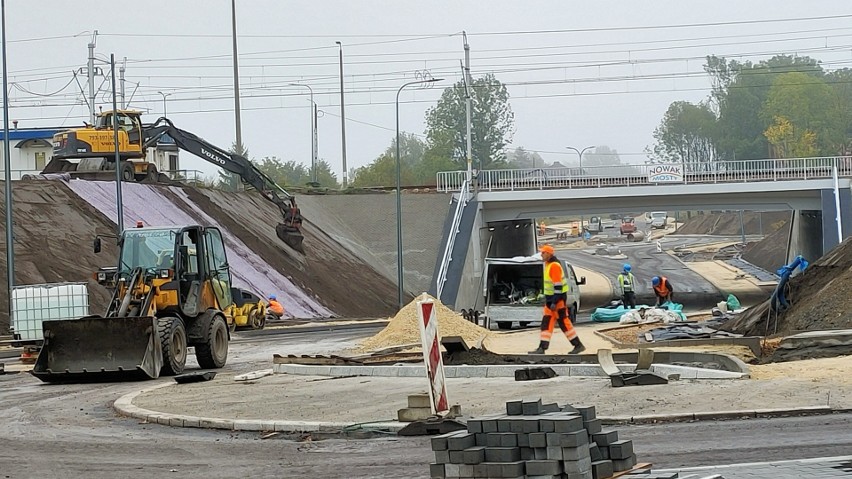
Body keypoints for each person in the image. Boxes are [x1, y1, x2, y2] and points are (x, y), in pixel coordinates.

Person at [529, 244, 585, 355]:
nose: (541, 254)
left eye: (543, 253)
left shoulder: (554, 266)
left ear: (549, 254)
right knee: (547, 323)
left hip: (556, 301)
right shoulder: (548, 264)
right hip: (552, 301)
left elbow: (558, 286)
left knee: (564, 323)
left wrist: (554, 302)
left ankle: (578, 345)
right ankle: (542, 348)